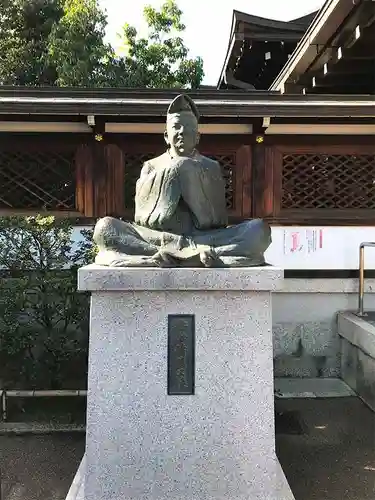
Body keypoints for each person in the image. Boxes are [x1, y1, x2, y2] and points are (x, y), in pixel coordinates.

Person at [93, 94, 271, 267]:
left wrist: (190, 176)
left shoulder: (211, 166)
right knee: (105, 227)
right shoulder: (151, 166)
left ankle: (171, 257)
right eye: (177, 126)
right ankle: (192, 256)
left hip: (205, 238)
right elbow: (142, 217)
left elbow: (216, 219)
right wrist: (173, 173)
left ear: (197, 136)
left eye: (188, 127)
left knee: (259, 230)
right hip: (158, 238)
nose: (182, 132)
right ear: (166, 135)